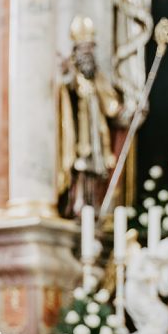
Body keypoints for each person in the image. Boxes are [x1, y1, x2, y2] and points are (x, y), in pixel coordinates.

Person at [58, 16, 122, 216]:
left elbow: (109, 102)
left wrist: (124, 109)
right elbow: (66, 90)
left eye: (90, 49)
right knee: (80, 170)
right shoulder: (72, 77)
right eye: (84, 50)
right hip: (78, 134)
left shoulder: (97, 77)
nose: (88, 54)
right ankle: (77, 204)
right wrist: (67, 72)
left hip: (95, 133)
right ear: (76, 52)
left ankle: (91, 206)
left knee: (95, 171)